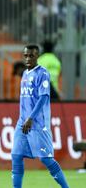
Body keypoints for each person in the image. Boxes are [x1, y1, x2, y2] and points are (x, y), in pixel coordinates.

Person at [11, 45, 69, 188]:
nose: (28, 58)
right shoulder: (25, 74)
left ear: (38, 56)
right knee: (16, 156)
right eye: (26, 56)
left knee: (46, 159)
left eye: (31, 56)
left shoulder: (42, 73)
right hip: (22, 122)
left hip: (38, 123)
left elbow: (43, 98)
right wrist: (24, 118)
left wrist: (31, 118)